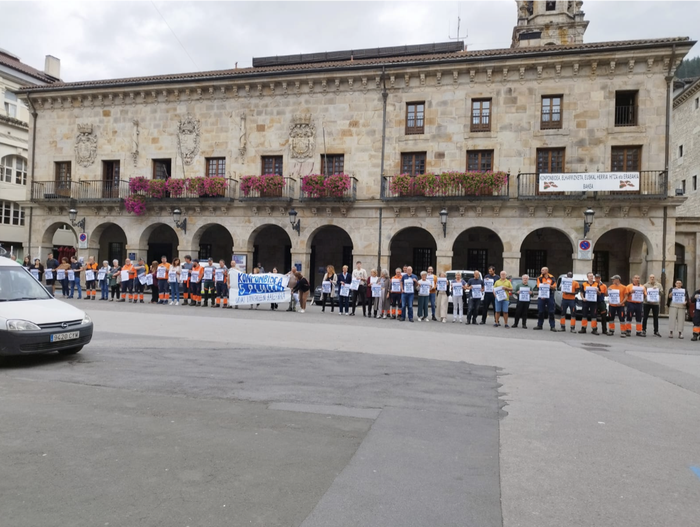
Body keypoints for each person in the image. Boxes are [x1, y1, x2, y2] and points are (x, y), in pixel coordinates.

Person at [534, 267, 556, 332]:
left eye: (543, 270)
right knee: (541, 311)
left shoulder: (552, 277)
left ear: (547, 271)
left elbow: (554, 286)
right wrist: (543, 294)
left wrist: (548, 285)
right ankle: (539, 325)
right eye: (541, 270)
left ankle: (552, 326)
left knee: (551, 311)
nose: (541, 271)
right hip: (542, 295)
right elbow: (538, 286)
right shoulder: (539, 278)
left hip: (550, 295)